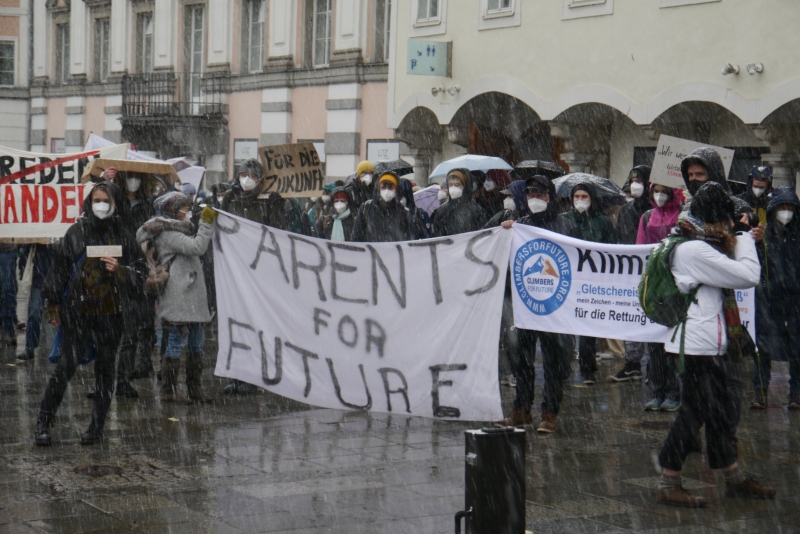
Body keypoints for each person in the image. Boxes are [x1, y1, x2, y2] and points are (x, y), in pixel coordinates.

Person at [656, 182, 775, 508]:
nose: (729, 224)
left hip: (714, 342)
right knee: (693, 415)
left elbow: (727, 261)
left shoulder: (700, 241)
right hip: (697, 346)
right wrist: (745, 238)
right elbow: (748, 275)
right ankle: (668, 481)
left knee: (723, 413)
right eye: (726, 218)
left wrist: (737, 237)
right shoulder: (694, 250)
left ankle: (733, 477)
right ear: (717, 218)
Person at [34, 181, 146, 446]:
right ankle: (43, 422)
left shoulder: (124, 234)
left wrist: (120, 270)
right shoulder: (76, 232)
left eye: (106, 200)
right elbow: (58, 270)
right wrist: (53, 307)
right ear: (89, 202)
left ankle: (96, 428)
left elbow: (142, 274)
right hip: (78, 314)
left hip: (111, 316)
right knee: (64, 369)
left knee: (105, 372)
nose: (101, 205)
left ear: (116, 202)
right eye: (96, 200)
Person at [495, 175, 581, 433]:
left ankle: (549, 413)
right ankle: (521, 409)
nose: (535, 199)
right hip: (524, 305)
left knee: (554, 362)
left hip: (554, 307)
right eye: (530, 194)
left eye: (540, 194)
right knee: (521, 360)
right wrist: (505, 230)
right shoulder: (520, 225)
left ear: (550, 197)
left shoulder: (566, 226)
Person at [220, 158, 305, 394]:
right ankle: (235, 374)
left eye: (253, 175)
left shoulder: (267, 201)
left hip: (259, 273)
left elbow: (276, 233)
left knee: (256, 324)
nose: (247, 179)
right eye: (244, 174)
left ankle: (253, 376)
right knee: (235, 323)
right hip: (234, 271)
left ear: (260, 179)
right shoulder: (229, 198)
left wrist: (278, 206)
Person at [609, 183, 683, 412]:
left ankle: (674, 392)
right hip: (655, 286)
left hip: (676, 287)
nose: (659, 195)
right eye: (656, 191)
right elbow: (640, 248)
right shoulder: (647, 217)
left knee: (672, 342)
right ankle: (656, 391)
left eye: (664, 190)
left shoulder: (683, 216)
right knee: (654, 344)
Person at [137, 192, 217, 404]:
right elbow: (197, 247)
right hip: (180, 297)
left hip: (191, 297)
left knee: (196, 345)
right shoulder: (168, 232)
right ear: (173, 210)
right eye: (185, 207)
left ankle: (194, 388)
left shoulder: (177, 228)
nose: (188, 211)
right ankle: (169, 390)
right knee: (175, 343)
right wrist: (207, 223)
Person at [562, 183, 617, 385]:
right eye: (577, 196)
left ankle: (588, 370)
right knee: (565, 326)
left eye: (584, 196)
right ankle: (563, 368)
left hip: (592, 281)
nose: (580, 200)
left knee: (587, 327)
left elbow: (612, 249)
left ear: (592, 198)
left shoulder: (602, 221)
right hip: (569, 279)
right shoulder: (565, 219)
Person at [751, 187, 800, 409]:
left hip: (795, 300)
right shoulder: (763, 236)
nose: (786, 212)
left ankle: (796, 394)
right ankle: (760, 393)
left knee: (797, 348)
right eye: (782, 207)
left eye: (790, 207)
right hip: (768, 300)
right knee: (762, 349)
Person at [113, 171, 157, 391]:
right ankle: (121, 376)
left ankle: (144, 363)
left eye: (137, 176)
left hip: (142, 267)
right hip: (119, 269)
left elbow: (154, 235)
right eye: (129, 176)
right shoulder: (115, 202)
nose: (134, 180)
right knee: (125, 329)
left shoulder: (148, 207)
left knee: (146, 321)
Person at [351, 171, 415, 242]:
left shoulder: (404, 213)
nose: (386, 190)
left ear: (396, 190)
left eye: (390, 187)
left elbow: (410, 241)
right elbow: (356, 237)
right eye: (383, 187)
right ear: (378, 189)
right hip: (371, 252)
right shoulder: (365, 209)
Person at [15, 245, 53, 362]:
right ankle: (30, 348)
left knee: (61, 314)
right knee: (34, 313)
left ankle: (62, 349)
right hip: (40, 275)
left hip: (54, 273)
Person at [432, 169, 488, 237]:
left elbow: (483, 235)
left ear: (465, 186)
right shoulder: (441, 210)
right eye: (450, 185)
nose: (453, 188)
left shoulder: (476, 210)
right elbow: (437, 235)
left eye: (457, 185)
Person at [617, 166, 652, 246]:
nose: (634, 185)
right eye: (632, 182)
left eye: (638, 181)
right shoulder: (625, 209)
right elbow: (619, 236)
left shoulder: (655, 210)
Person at [0, 243, 18, 346]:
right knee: (8, 290)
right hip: (8, 247)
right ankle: (9, 328)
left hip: (8, 248)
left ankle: (9, 329)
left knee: (8, 290)